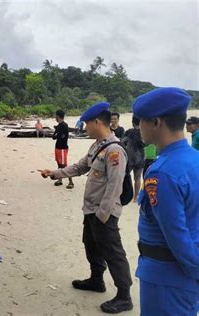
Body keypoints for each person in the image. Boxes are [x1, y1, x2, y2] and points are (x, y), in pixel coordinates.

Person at [40, 102, 133, 314]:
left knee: (113, 252)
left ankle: (124, 296)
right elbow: (80, 167)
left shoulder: (114, 150)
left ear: (97, 122)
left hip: (104, 213)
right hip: (91, 210)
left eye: (86, 124)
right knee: (91, 245)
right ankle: (96, 280)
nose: (84, 128)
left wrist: (103, 214)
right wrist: (54, 173)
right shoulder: (97, 146)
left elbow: (115, 186)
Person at [132, 87, 199, 315]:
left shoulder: (162, 172)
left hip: (168, 277)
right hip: (185, 276)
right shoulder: (194, 160)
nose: (138, 126)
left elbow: (176, 234)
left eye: (141, 120)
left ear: (156, 123)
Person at [122, 116, 144, 201]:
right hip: (141, 158)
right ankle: (135, 197)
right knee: (137, 178)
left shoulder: (129, 132)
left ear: (133, 122)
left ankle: (125, 194)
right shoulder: (143, 132)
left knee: (125, 176)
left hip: (130, 158)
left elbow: (122, 142)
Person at [51, 110, 74, 189]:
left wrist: (58, 135)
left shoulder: (64, 125)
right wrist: (57, 135)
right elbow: (54, 137)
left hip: (63, 148)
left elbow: (62, 136)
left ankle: (71, 182)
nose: (55, 118)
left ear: (58, 116)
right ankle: (60, 180)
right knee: (59, 164)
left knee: (64, 165)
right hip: (57, 147)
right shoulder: (59, 125)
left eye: (55, 116)